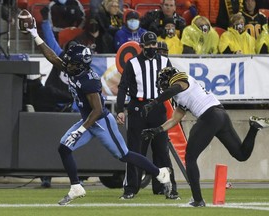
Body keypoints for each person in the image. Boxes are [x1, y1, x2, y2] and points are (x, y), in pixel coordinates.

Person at [26, 19, 171, 205]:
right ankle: (76, 186)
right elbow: (53, 58)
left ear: (79, 64)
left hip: (101, 122)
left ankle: (160, 172)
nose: (67, 63)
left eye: (71, 62)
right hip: (88, 121)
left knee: (124, 155)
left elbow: (98, 110)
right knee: (64, 148)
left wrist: (80, 130)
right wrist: (35, 34)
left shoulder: (89, 80)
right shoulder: (74, 69)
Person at [140, 66, 269, 207]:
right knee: (241, 155)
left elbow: (174, 89)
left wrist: (154, 102)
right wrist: (156, 130)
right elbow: (174, 120)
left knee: (190, 157)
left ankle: (198, 200)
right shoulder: (181, 95)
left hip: (209, 116)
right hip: (220, 114)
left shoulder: (181, 80)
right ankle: (254, 127)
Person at [116, 31, 179, 200]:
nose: (152, 48)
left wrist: (180, 106)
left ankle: (167, 187)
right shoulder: (132, 63)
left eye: (154, 45)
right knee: (136, 150)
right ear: (142, 46)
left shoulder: (165, 61)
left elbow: (175, 85)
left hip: (157, 107)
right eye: (148, 45)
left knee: (161, 150)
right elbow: (122, 87)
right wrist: (120, 109)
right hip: (138, 107)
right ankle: (131, 189)